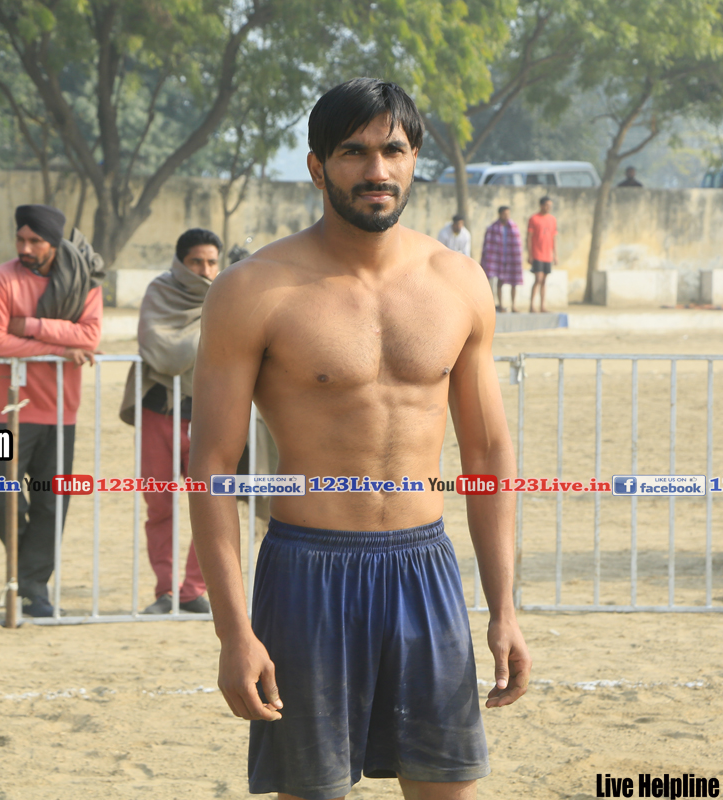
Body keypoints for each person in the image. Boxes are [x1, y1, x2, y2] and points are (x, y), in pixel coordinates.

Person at [187, 77, 530, 800]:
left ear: (414, 161)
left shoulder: (459, 283)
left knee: (450, 789)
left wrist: (503, 608)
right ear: (318, 167)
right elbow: (212, 467)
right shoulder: (253, 290)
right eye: (354, 152)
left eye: (393, 151)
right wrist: (232, 632)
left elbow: (488, 455)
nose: (377, 170)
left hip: (424, 571)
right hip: (306, 576)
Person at [0, 204, 103, 617]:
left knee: (53, 502)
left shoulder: (83, 282)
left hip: (61, 412)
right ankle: (26, 573)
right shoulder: (1, 278)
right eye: (20, 239)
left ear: (54, 243)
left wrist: (30, 326)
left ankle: (32, 586)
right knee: (3, 499)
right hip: (8, 411)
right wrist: (60, 348)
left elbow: (90, 336)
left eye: (35, 241)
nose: (25, 248)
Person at [119, 228, 222, 615]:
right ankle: (165, 590)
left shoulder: (229, 294)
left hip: (208, 418)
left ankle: (193, 589)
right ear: (180, 263)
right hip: (158, 414)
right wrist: (210, 335)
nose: (205, 271)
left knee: (211, 504)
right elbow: (162, 352)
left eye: (212, 262)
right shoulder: (160, 292)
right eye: (196, 262)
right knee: (159, 506)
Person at [480, 205, 523, 312]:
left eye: (508, 214)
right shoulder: (492, 228)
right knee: (499, 282)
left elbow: (518, 245)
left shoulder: (514, 227)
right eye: (504, 214)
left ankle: (513, 305)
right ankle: (500, 305)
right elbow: (487, 246)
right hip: (498, 258)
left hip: (511, 258)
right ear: (500, 214)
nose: (506, 216)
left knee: (514, 282)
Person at [527, 196, 557, 313]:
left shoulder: (552, 219)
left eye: (550, 205)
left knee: (544, 280)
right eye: (547, 205)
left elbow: (554, 238)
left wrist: (555, 255)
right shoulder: (534, 218)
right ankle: (532, 305)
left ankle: (542, 306)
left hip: (548, 255)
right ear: (541, 205)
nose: (549, 207)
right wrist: (530, 254)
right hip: (537, 254)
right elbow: (529, 238)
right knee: (538, 279)